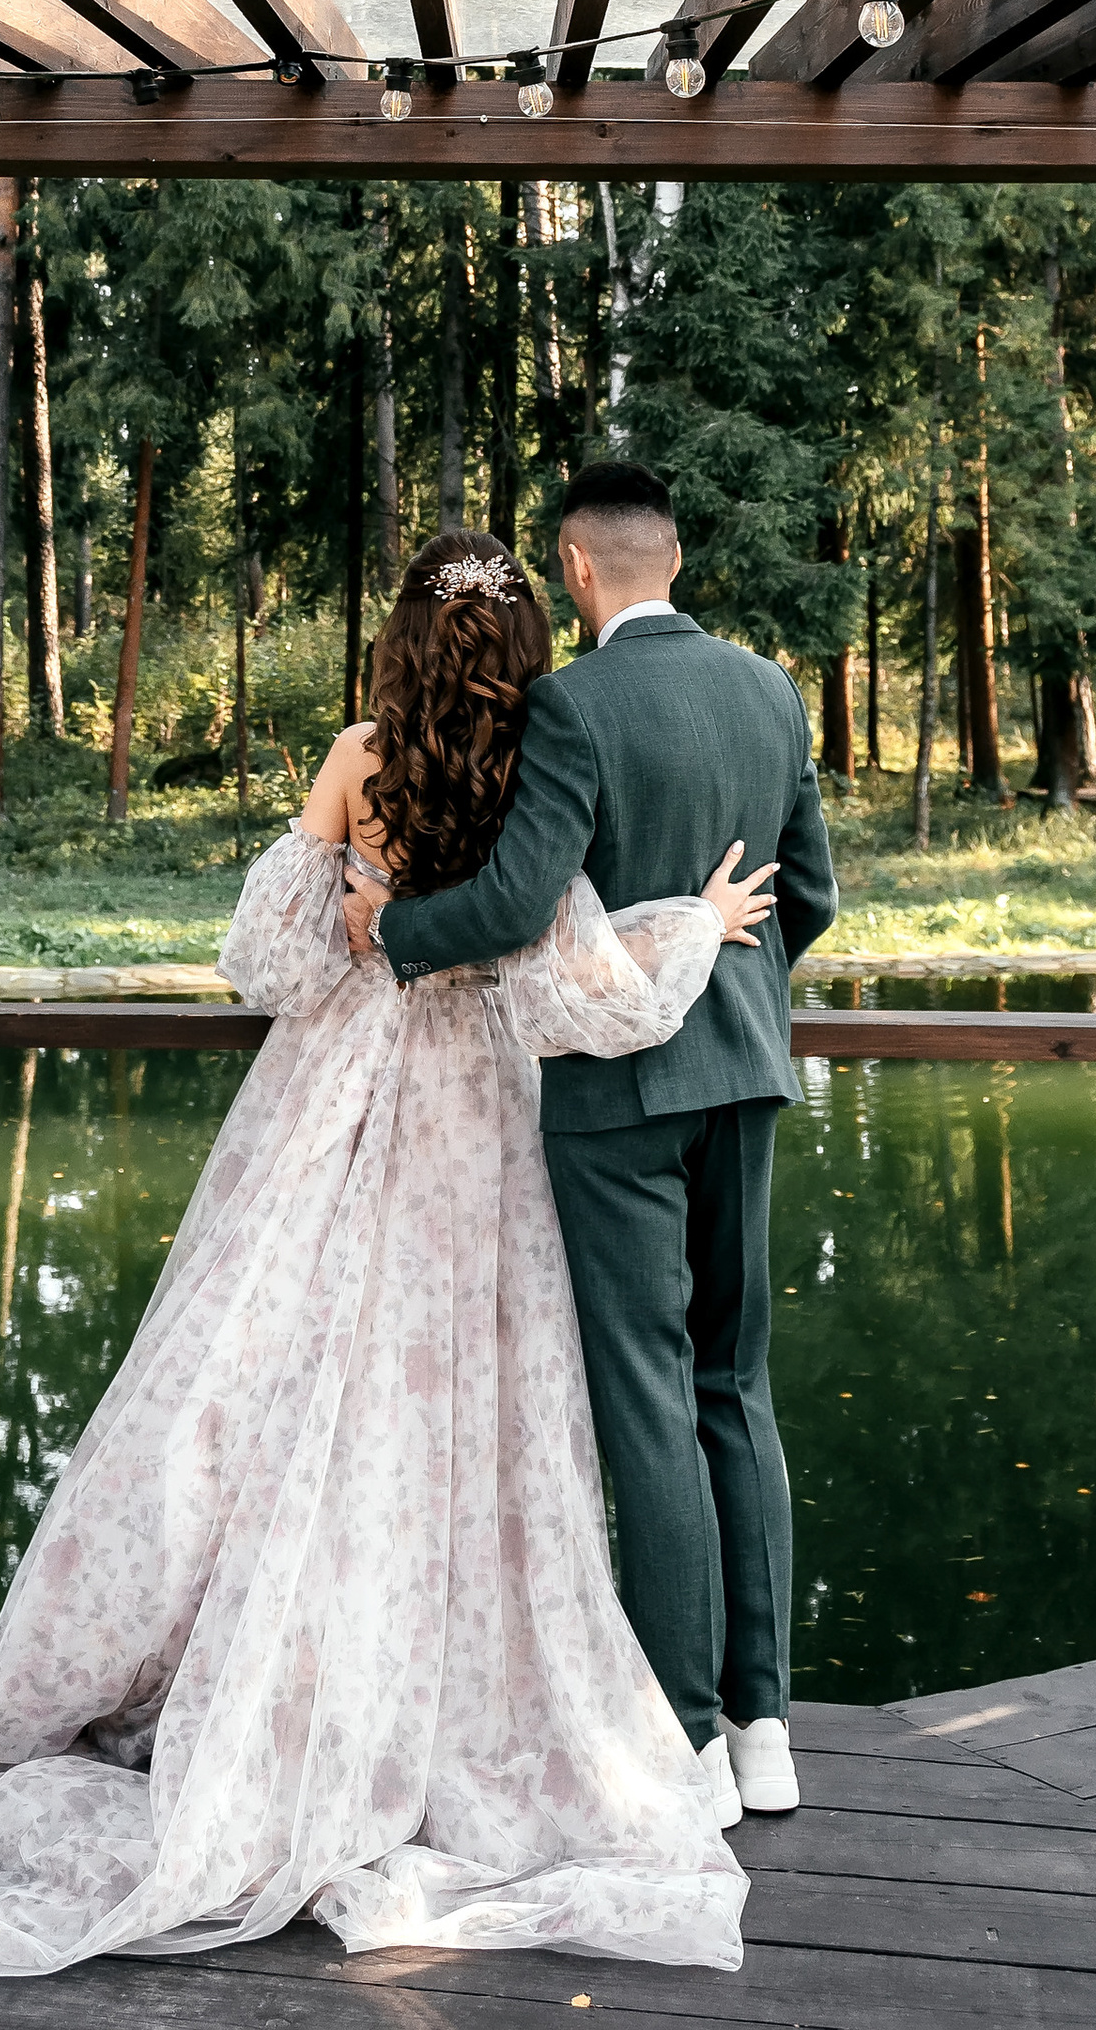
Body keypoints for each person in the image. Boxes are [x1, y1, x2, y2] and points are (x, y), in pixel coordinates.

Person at [0, 527, 774, 1980]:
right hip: (479, 1105)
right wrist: (698, 927)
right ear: (523, 641)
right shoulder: (535, 765)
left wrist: (366, 916)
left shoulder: (362, 756)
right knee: (462, 1399)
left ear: (402, 641)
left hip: (338, 1098)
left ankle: (249, 1679)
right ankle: (454, 1705)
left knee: (270, 1374)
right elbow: (579, 984)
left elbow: (273, 962)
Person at [346, 460, 837, 1820]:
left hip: (618, 1098)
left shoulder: (573, 705)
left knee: (646, 1398)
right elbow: (814, 896)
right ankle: (766, 1729)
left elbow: (509, 904)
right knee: (737, 1389)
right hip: (748, 1072)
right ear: (669, 557)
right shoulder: (770, 689)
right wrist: (721, 978)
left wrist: (390, 932)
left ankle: (681, 1743)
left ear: (575, 567)